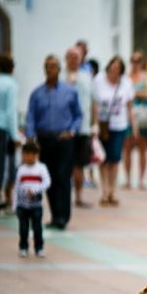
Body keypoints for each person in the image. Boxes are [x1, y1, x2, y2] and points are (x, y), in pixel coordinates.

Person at [25, 55, 82, 230]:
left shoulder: (69, 91)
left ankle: (63, 216)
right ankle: (55, 214)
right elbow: (31, 117)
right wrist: (30, 136)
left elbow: (78, 115)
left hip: (63, 139)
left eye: (53, 66)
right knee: (48, 177)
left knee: (63, 177)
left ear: (59, 69)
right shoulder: (37, 93)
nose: (50, 70)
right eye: (47, 66)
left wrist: (72, 131)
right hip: (44, 139)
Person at [93, 56, 137, 207]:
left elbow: (130, 106)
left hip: (119, 125)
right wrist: (94, 124)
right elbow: (95, 104)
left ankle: (113, 190)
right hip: (103, 125)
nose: (114, 69)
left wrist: (133, 126)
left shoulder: (126, 83)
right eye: (113, 66)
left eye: (118, 67)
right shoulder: (99, 80)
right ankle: (104, 191)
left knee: (115, 159)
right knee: (103, 159)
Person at [0, 54, 23, 205]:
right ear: (12, 68)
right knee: (7, 166)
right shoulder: (11, 84)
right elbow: (10, 112)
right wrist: (15, 136)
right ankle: (4, 198)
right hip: (4, 129)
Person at [62, 47, 95, 210]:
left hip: (83, 128)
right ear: (66, 58)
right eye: (72, 57)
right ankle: (63, 196)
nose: (75, 60)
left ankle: (79, 196)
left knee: (79, 164)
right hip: (65, 128)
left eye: (77, 57)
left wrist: (94, 124)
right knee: (64, 163)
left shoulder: (87, 76)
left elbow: (93, 101)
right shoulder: (61, 77)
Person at [12, 141, 51, 258]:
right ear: (23, 155)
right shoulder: (21, 169)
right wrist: (15, 205)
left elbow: (47, 182)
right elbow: (17, 187)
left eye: (32, 155)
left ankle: (39, 248)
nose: (29, 157)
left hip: (36, 205)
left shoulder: (41, 168)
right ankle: (23, 247)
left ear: (37, 155)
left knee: (37, 227)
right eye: (27, 154)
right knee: (23, 228)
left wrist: (35, 190)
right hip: (22, 206)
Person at [126, 51, 147, 190]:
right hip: (128, 117)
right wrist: (138, 94)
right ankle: (127, 179)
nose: (135, 63)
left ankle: (141, 180)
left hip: (143, 117)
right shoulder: (126, 77)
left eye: (138, 60)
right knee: (127, 149)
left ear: (142, 62)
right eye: (133, 60)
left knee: (143, 149)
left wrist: (133, 93)